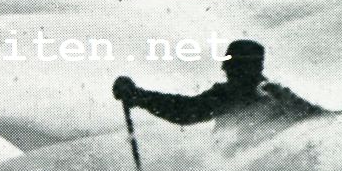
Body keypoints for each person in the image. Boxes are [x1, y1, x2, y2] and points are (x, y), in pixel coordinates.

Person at [112, 39, 322, 125]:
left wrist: (139, 96)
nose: (225, 70)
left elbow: (315, 117)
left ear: (251, 68)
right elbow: (185, 111)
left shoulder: (274, 93)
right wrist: (139, 96)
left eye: (232, 65)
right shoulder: (226, 95)